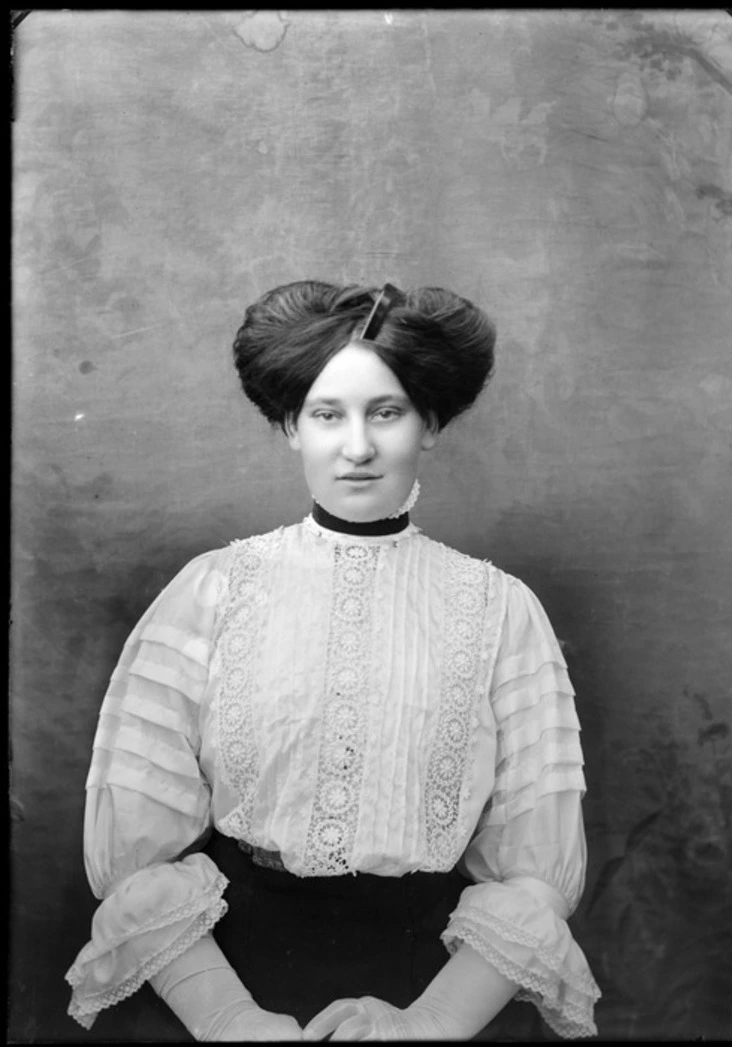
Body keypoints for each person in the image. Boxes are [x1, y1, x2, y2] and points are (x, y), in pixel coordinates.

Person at [65, 280, 601, 1041]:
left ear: (432, 424)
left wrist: (431, 1024)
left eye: (387, 412)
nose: (357, 447)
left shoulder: (500, 608)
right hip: (229, 975)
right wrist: (233, 1022)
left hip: (437, 979)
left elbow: (534, 872)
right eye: (326, 414)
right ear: (291, 425)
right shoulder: (212, 592)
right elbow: (133, 857)